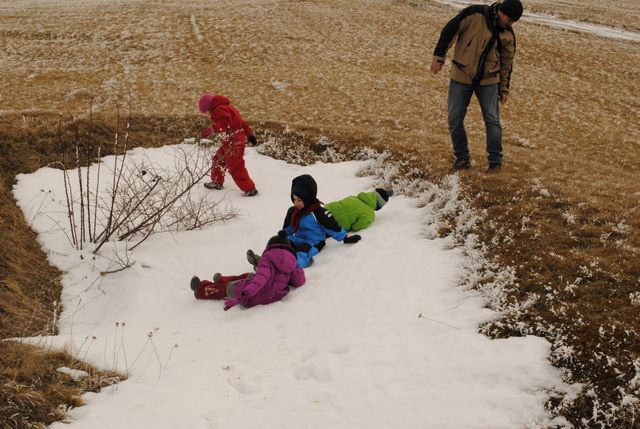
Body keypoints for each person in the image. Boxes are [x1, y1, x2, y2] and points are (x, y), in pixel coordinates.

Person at [431, 0, 523, 174]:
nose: (510, 24)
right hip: (461, 75)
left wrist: (504, 88)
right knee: (454, 119)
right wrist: (439, 57)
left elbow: (507, 64)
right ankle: (462, 158)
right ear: (501, 12)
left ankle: (495, 162)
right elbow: (449, 31)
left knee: (492, 120)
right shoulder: (474, 14)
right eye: (509, 19)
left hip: (489, 81)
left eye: (513, 21)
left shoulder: (508, 34)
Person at [247, 174, 361, 269]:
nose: (296, 203)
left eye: (299, 200)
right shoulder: (293, 211)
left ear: (308, 198)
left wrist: (345, 238)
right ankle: (264, 261)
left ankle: (289, 269)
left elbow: (333, 227)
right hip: (296, 239)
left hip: (313, 242)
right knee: (276, 241)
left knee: (303, 252)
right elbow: (290, 228)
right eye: (294, 199)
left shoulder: (319, 213)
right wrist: (284, 234)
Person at [190, 230, 305, 311]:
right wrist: (297, 268)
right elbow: (298, 281)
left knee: (227, 288)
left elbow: (260, 280)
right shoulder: (292, 264)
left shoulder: (266, 259)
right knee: (249, 275)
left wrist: (245, 294)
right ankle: (221, 279)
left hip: (254, 296)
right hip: (273, 295)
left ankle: (201, 289)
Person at [198, 93, 259, 196]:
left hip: (234, 139)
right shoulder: (227, 107)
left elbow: (226, 123)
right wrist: (249, 134)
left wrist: (213, 129)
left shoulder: (219, 109)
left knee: (235, 165)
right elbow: (241, 122)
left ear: (210, 107)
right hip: (231, 139)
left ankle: (250, 189)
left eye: (207, 111)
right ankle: (217, 182)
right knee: (218, 159)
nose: (208, 114)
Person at [324, 188, 394, 232]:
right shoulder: (369, 214)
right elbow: (356, 227)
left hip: (325, 209)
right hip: (334, 223)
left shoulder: (354, 197)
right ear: (379, 205)